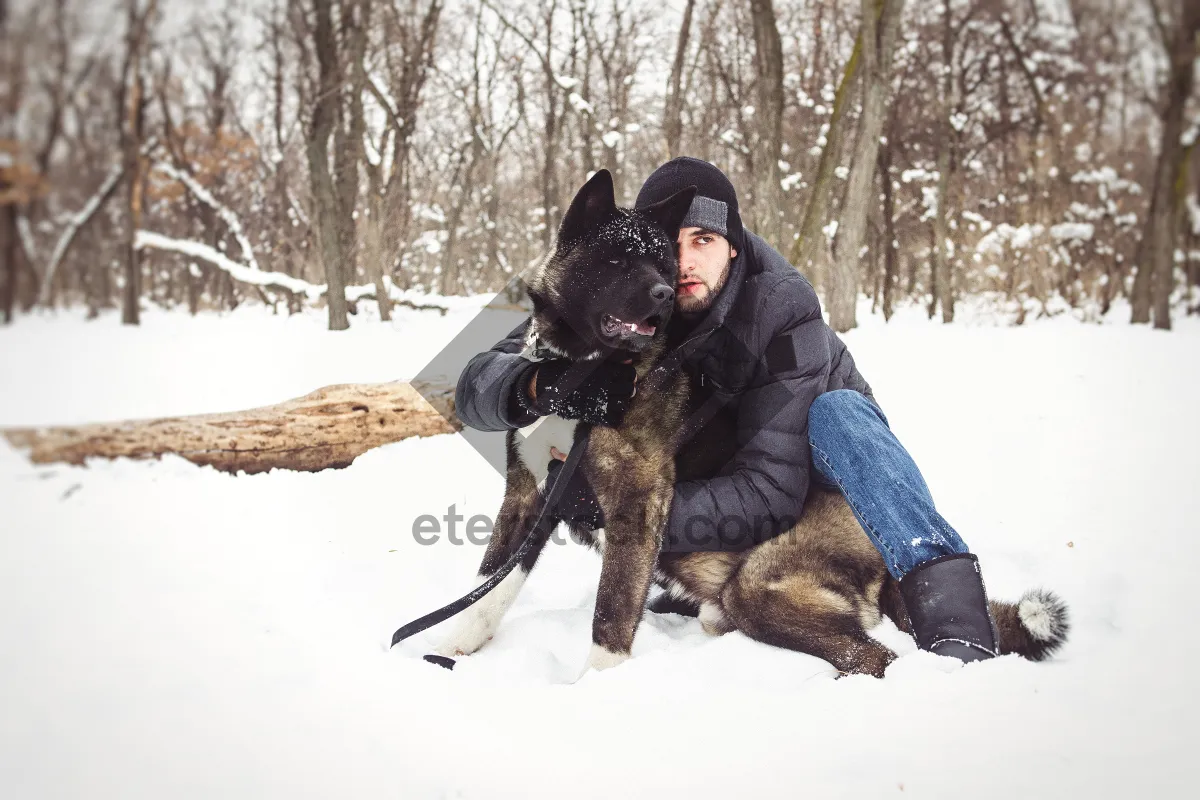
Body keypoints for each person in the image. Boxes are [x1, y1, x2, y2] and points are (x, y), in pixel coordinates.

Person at [454, 157, 999, 664]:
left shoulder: (782, 311)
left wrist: (621, 515)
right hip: (726, 499)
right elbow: (460, 380)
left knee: (839, 415)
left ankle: (948, 604)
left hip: (829, 491)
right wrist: (534, 387)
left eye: (704, 240)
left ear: (733, 246)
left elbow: (770, 490)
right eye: (669, 244)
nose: (681, 264)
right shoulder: (606, 279)